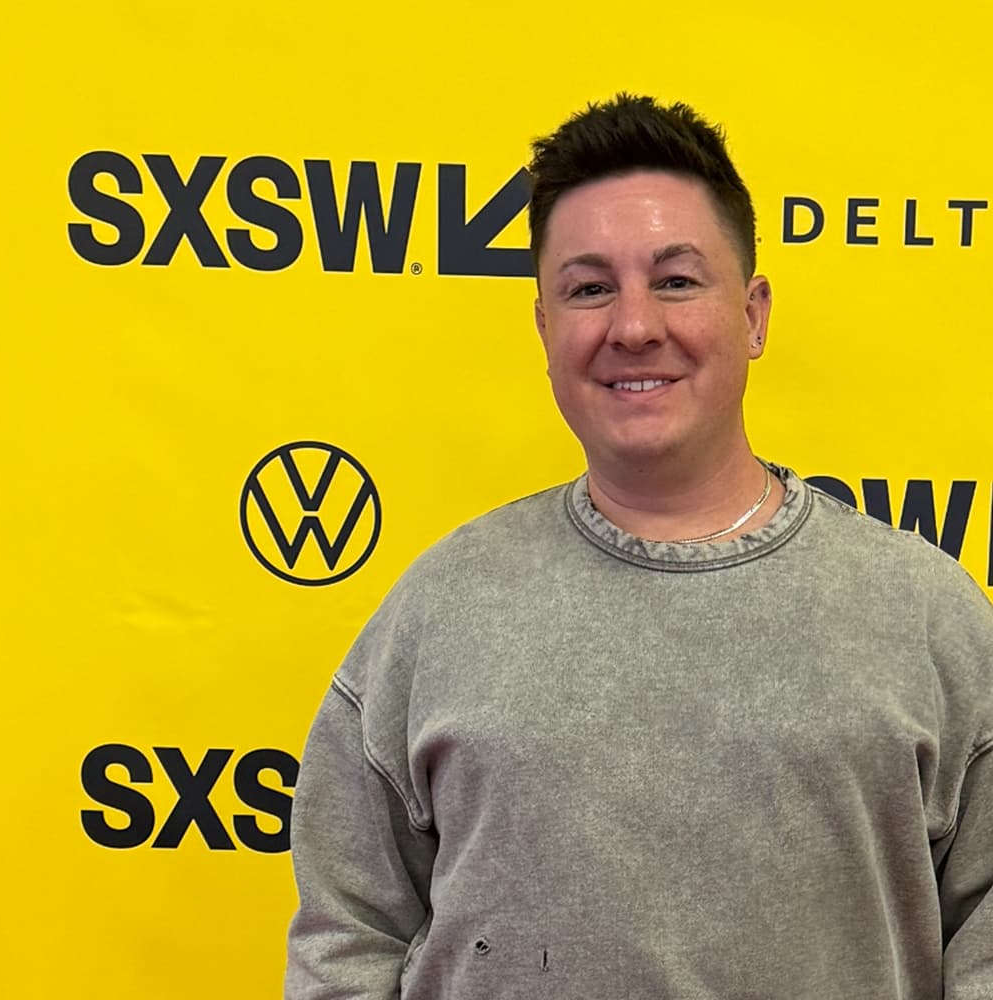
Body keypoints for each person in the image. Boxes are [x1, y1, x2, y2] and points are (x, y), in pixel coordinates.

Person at [284, 94, 993, 999]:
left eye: (676, 280)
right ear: (545, 328)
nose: (633, 327)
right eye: (588, 288)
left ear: (754, 313)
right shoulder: (441, 610)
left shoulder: (923, 614)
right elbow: (347, 932)